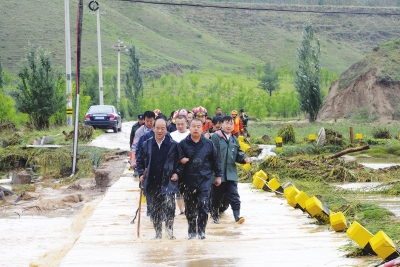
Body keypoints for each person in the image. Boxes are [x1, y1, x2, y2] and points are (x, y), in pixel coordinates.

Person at [136, 117, 182, 240]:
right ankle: (158, 234)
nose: (160, 131)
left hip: (168, 183)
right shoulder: (147, 144)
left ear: (166, 130)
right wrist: (141, 174)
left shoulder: (173, 145)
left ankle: (169, 233)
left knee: (169, 208)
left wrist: (177, 173)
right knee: (154, 210)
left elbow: (181, 163)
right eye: (157, 128)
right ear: (153, 129)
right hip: (151, 182)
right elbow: (139, 161)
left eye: (162, 128)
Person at [177, 118, 222, 240]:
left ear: (202, 128)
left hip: (205, 180)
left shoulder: (208, 144)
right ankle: (192, 232)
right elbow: (177, 162)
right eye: (193, 126)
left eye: (198, 126)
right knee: (190, 209)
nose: (196, 128)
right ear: (189, 128)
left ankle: (201, 231)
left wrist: (218, 176)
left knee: (203, 205)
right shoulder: (182, 144)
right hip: (188, 180)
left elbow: (216, 160)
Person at [210, 116, 250, 224]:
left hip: (231, 174)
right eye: (226, 123)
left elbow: (238, 153)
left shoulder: (234, 139)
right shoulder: (215, 137)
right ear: (222, 124)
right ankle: (214, 216)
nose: (229, 126)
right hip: (218, 174)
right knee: (216, 197)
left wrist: (244, 158)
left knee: (234, 196)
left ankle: (237, 216)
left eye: (231, 124)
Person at [170, 115, 190, 216]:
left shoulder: (191, 134)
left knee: (189, 190)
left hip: (189, 167)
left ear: (187, 123)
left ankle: (189, 209)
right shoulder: (171, 135)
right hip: (176, 167)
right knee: (178, 190)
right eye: (178, 124)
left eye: (182, 124)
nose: (180, 126)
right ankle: (182, 210)